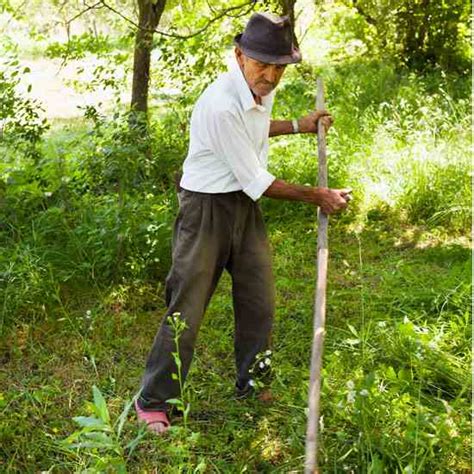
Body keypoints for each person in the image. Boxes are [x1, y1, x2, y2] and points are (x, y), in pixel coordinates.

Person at [135, 11, 351, 434]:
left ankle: (253, 381)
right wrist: (317, 196)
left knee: (259, 300)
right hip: (205, 210)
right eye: (261, 64)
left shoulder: (258, 88)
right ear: (239, 56)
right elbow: (257, 179)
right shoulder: (219, 103)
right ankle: (154, 400)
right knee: (188, 307)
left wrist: (296, 125)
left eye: (278, 67)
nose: (270, 75)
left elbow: (251, 130)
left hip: (243, 208)